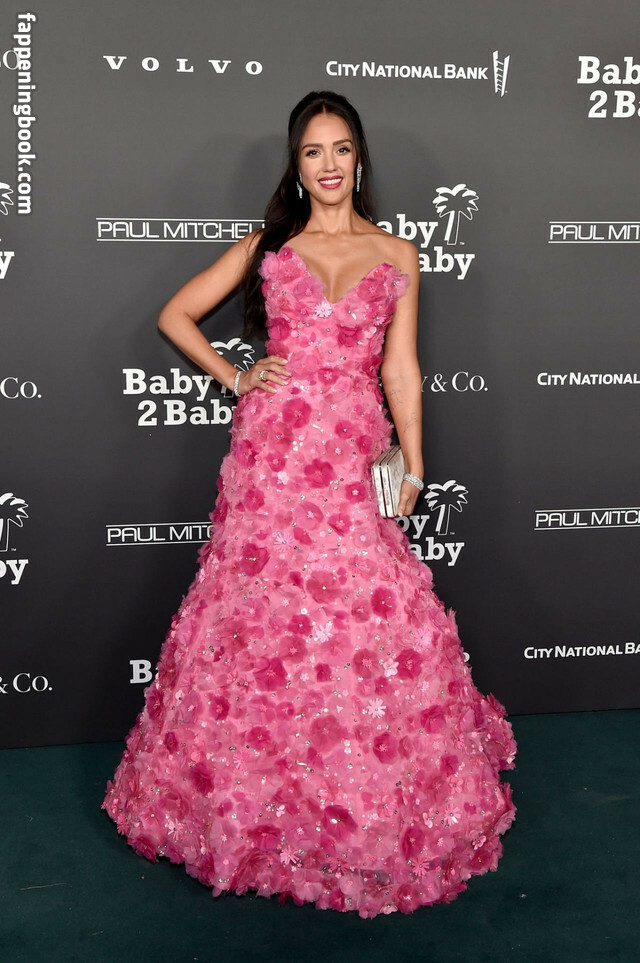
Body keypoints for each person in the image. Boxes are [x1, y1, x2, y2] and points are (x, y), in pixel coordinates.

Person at [102, 90, 517, 918]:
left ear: (360, 159)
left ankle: (356, 800)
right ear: (296, 167)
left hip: (351, 455)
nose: (328, 165)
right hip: (272, 457)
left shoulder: (397, 252)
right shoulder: (270, 245)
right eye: (312, 152)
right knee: (261, 613)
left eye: (341, 149)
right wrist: (236, 374)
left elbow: (400, 368)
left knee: (363, 611)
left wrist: (414, 464)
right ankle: (253, 804)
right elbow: (175, 316)